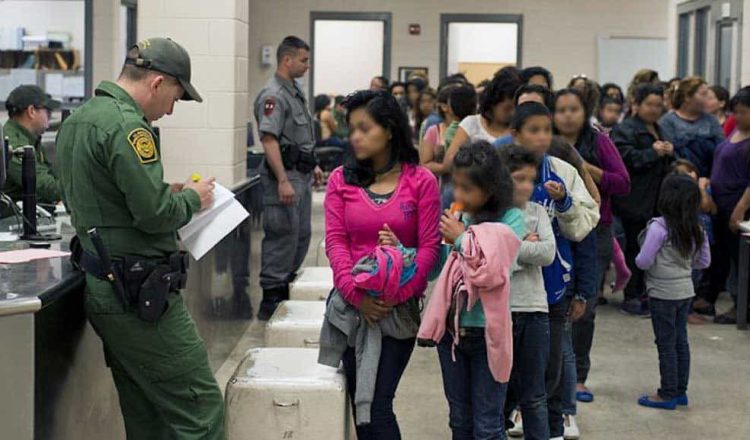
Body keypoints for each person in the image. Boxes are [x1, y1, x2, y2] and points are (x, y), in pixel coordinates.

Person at [55, 37, 224, 438]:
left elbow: (108, 198)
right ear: (157, 82)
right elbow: (155, 214)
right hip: (140, 293)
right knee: (201, 410)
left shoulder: (78, 121)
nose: (169, 110)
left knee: (147, 414)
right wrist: (189, 198)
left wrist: (168, 189)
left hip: (107, 285)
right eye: (175, 97)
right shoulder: (130, 126)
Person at [323, 89, 441, 439]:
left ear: (389, 130)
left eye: (364, 128)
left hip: (398, 312)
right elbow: (336, 243)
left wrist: (395, 295)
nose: (355, 136)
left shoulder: (421, 181)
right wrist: (358, 298)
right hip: (351, 310)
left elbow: (429, 248)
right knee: (361, 408)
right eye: (351, 128)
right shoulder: (340, 181)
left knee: (377, 406)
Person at [417, 140, 524, 440]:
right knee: (460, 421)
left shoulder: (511, 220)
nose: (458, 194)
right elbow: (437, 269)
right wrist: (411, 249)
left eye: (467, 188)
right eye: (456, 185)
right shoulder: (458, 216)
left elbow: (495, 272)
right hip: (451, 335)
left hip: (487, 334)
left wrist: (461, 239)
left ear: (490, 188)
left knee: (488, 425)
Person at [510, 102, 599, 440]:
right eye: (534, 130)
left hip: (552, 289)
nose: (543, 137)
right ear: (515, 134)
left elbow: (583, 229)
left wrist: (563, 204)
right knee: (505, 374)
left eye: (547, 129)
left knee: (548, 372)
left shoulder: (562, 171)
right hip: (504, 291)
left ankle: (553, 428)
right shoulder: (497, 168)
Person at [553, 88, 630, 405]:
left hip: (594, 229)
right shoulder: (546, 141)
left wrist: (585, 169)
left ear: (584, 112)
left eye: (573, 109)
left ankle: (579, 376)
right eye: (560, 109)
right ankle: (551, 373)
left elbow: (623, 182)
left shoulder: (598, 141)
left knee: (585, 304)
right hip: (553, 228)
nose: (567, 115)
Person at [254, 36, 323, 320]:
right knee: (282, 235)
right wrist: (282, 179)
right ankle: (272, 297)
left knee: (301, 235)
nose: (307, 65)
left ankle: (285, 287)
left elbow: (301, 137)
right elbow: (269, 140)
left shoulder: (294, 91)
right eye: (303, 60)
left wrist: (314, 165)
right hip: (283, 175)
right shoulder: (274, 95)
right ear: (287, 60)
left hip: (301, 173)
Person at [635, 175, 710, 410]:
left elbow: (643, 261)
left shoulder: (658, 228)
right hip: (685, 291)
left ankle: (666, 394)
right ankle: (680, 391)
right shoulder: (697, 228)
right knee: (681, 342)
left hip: (661, 293)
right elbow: (704, 262)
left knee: (665, 344)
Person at [499, 145, 556, 440]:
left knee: (534, 395)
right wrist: (523, 246)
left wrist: (511, 248)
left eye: (530, 180)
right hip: (499, 313)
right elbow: (494, 266)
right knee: (498, 394)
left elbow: (547, 253)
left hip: (534, 310)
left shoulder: (536, 212)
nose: (526, 186)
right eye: (519, 178)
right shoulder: (491, 214)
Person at [611, 83, 675, 316]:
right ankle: (631, 295)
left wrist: (669, 152)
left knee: (651, 247)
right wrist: (653, 153)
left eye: (659, 105)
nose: (654, 109)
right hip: (634, 199)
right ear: (636, 105)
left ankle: (644, 292)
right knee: (633, 246)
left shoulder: (660, 128)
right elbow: (624, 160)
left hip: (656, 199)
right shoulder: (626, 129)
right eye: (649, 104)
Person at [694, 86, 750, 324]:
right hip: (719, 204)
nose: (737, 116)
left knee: (740, 260)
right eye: (735, 111)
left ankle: (742, 306)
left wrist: (739, 210)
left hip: (739, 207)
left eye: (743, 112)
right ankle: (710, 298)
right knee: (722, 256)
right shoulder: (735, 133)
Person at [441, 72, 521, 173]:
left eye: (516, 108)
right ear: (493, 103)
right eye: (507, 108)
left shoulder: (520, 128)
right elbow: (448, 163)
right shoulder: (471, 124)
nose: (512, 112)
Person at [1, 85, 61, 214]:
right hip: (12, 220)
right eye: (47, 112)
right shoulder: (13, 143)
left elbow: (49, 173)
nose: (50, 118)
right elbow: (41, 184)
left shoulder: (29, 138)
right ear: (31, 111)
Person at [420, 85, 478, 209]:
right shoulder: (433, 131)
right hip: (440, 190)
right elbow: (424, 164)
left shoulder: (474, 127)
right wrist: (446, 167)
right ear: (444, 106)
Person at [659, 76, 724, 177]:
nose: (707, 98)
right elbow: (668, 155)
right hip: (679, 178)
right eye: (703, 94)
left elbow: (721, 150)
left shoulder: (711, 121)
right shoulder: (667, 122)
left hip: (708, 177)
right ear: (687, 97)